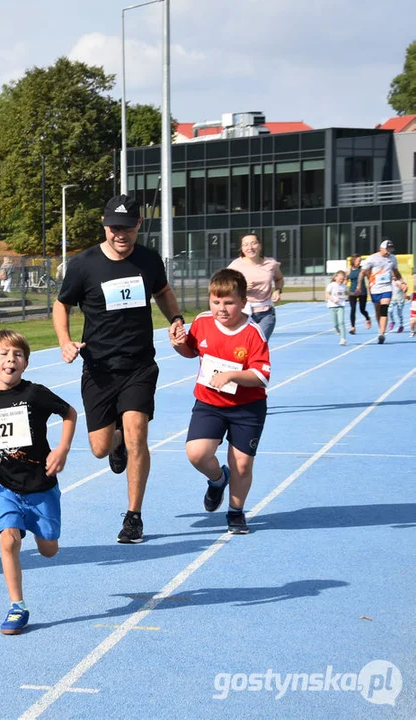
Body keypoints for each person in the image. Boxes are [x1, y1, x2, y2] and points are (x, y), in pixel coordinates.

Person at [53, 194, 186, 544]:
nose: (121, 235)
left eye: (127, 228)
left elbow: (164, 291)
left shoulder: (148, 260)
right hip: (98, 368)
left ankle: (134, 516)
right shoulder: (83, 265)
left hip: (139, 364)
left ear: (138, 225)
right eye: (115, 228)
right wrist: (65, 341)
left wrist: (175, 319)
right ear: (104, 224)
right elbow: (61, 305)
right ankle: (116, 446)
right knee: (99, 447)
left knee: (136, 431)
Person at [0, 329, 77, 635]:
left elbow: (70, 413)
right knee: (8, 537)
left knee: (49, 549)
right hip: (3, 485)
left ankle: (41, 533)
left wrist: (62, 448)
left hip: (41, 485)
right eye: (3, 354)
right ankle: (17, 606)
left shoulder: (35, 394)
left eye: (18, 355)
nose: (11, 359)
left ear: (25, 363)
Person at [169, 269, 270, 535]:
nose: (221, 309)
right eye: (216, 302)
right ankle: (217, 480)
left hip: (247, 408)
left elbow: (260, 376)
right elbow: (191, 350)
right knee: (197, 454)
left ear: (243, 301)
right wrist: (178, 344)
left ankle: (236, 512)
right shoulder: (202, 322)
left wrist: (231, 375)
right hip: (209, 403)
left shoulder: (253, 333)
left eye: (229, 303)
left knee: (242, 464)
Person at [227, 234, 283, 341]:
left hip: (266, 313)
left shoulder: (271, 263)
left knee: (259, 343)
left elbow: (279, 279)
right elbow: (226, 286)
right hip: (243, 313)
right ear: (242, 249)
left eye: (253, 243)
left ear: (260, 246)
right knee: (242, 346)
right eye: (246, 245)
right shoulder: (235, 265)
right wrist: (241, 287)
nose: (250, 247)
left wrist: (278, 291)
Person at [358, 240, 399, 344]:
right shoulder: (372, 258)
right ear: (382, 248)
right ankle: (380, 328)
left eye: (390, 249)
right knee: (378, 310)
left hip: (387, 288)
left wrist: (402, 282)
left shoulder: (393, 258)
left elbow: (396, 272)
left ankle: (382, 333)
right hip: (375, 288)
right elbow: (362, 272)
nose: (389, 252)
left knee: (384, 308)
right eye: (387, 249)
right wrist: (359, 285)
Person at [346, 254, 371, 335]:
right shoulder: (349, 270)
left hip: (362, 292)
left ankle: (367, 318)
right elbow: (345, 281)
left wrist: (371, 287)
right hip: (352, 292)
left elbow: (369, 278)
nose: (360, 262)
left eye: (360, 261)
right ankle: (352, 327)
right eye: (358, 261)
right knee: (353, 309)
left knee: (362, 310)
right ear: (353, 261)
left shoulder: (363, 270)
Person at [325, 270, 348, 345]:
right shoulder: (331, 285)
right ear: (335, 277)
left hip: (341, 306)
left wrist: (352, 294)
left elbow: (346, 293)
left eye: (342, 279)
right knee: (335, 323)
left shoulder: (344, 286)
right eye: (340, 278)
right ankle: (337, 329)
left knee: (341, 322)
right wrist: (333, 299)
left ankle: (343, 338)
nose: (341, 280)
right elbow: (327, 295)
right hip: (332, 306)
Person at [388, 268, 407, 334]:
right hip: (393, 299)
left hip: (400, 300)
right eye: (392, 276)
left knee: (399, 313)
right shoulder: (391, 282)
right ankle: (392, 321)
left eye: (394, 276)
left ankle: (401, 325)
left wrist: (400, 286)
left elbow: (405, 289)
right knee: (389, 310)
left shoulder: (401, 281)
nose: (393, 278)